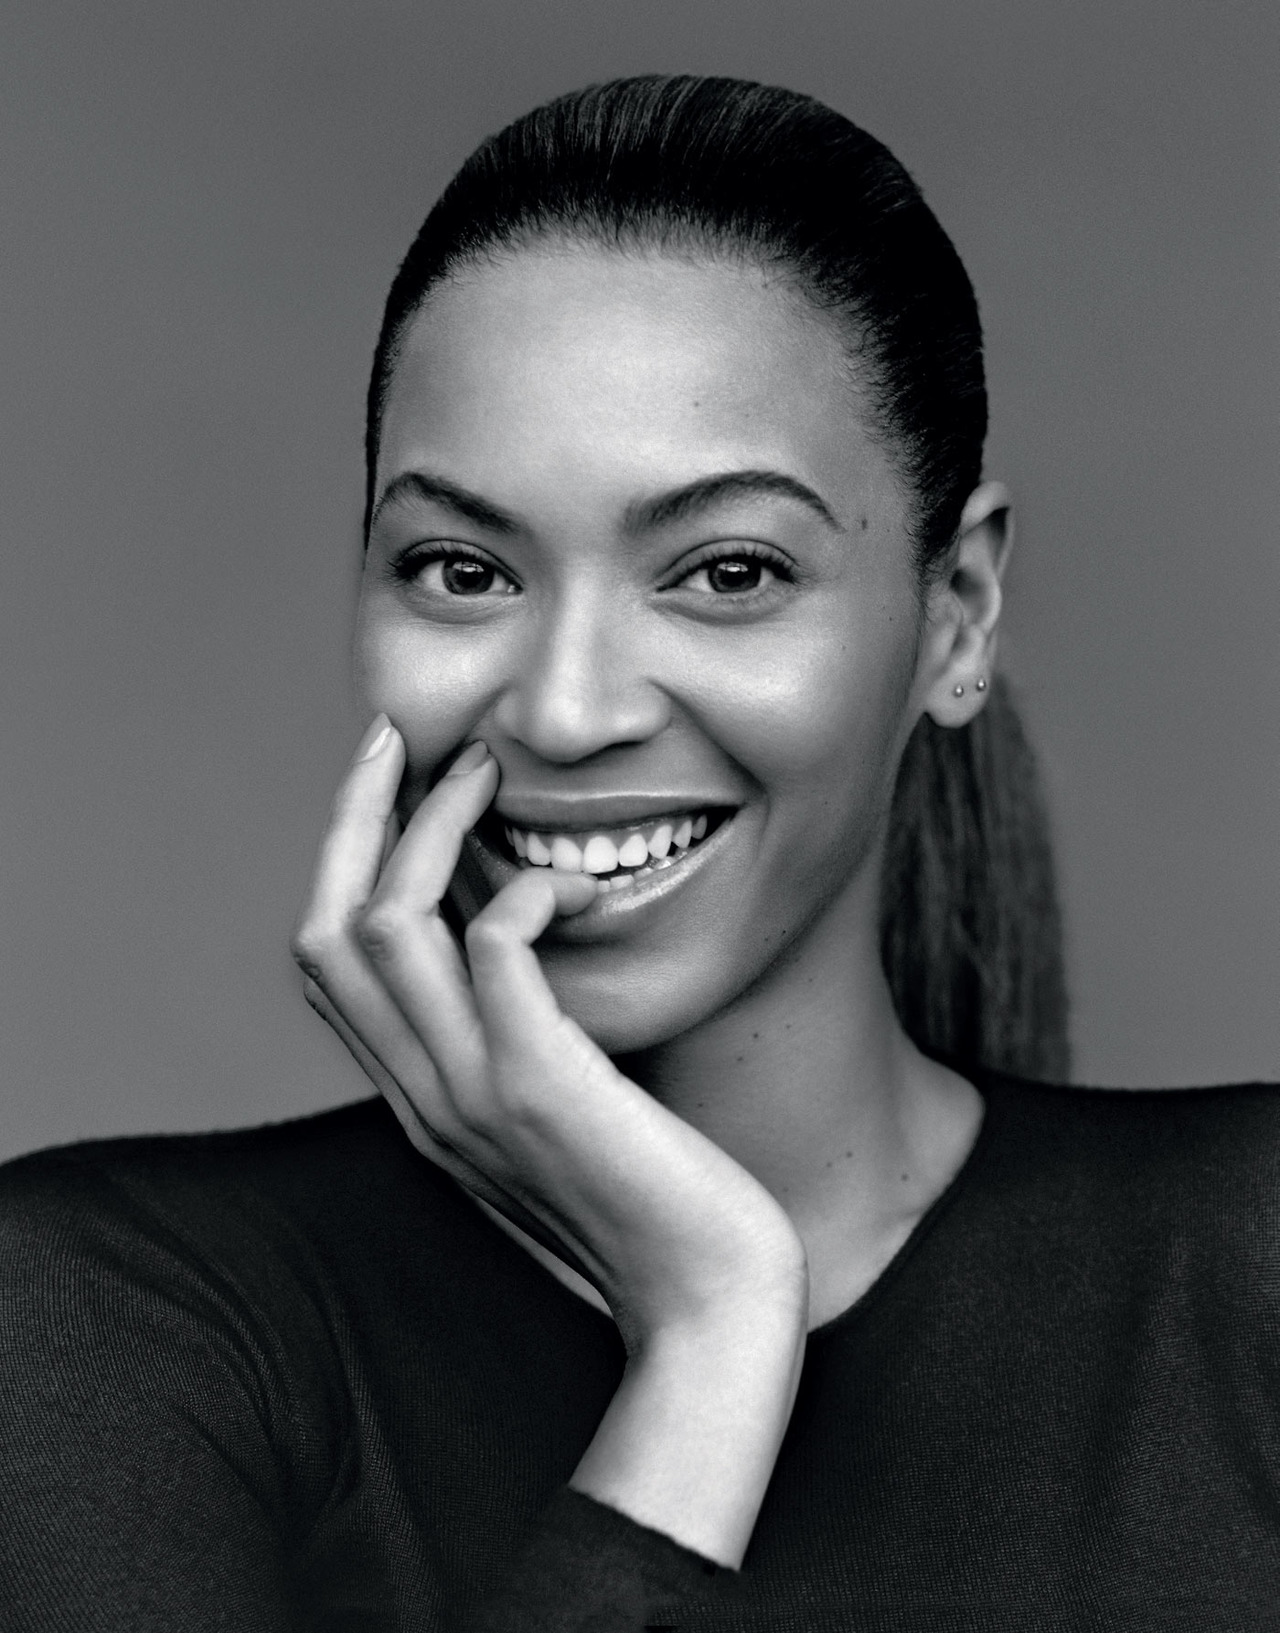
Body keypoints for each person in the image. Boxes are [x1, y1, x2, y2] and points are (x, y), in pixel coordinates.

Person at [1, 74, 1277, 1632]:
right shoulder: (111, 1313)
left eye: (727, 571)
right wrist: (711, 1332)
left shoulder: (1247, 1268)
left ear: (957, 618)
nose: (565, 707)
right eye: (462, 568)